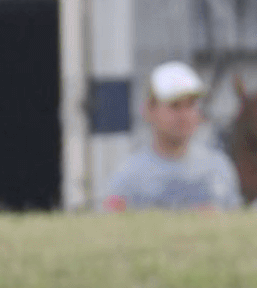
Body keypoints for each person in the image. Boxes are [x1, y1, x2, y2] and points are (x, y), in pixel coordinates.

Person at [101, 61, 242, 212]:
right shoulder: (129, 178)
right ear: (149, 110)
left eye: (191, 105)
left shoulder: (219, 168)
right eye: (175, 106)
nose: (184, 115)